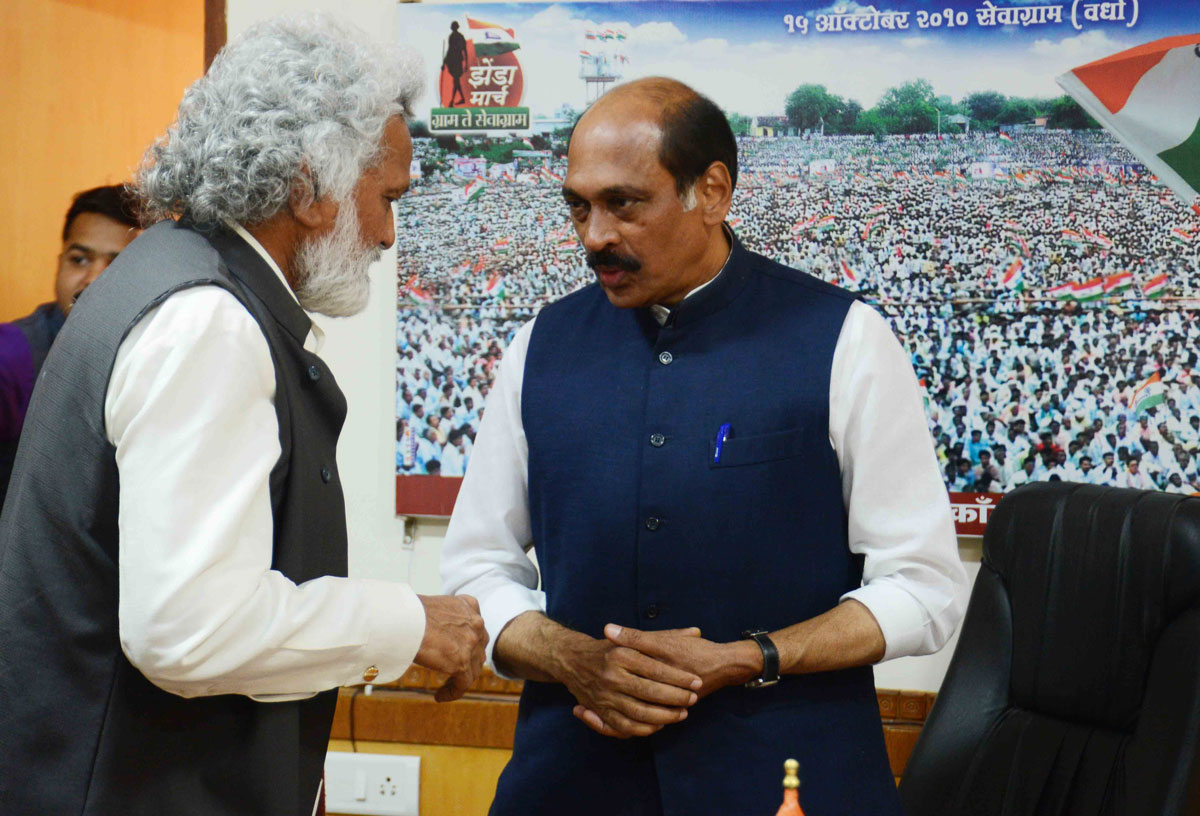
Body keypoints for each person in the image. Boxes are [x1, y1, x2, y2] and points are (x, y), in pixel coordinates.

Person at [0, 16, 487, 816]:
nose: (388, 235)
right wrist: (407, 622)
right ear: (307, 186)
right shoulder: (207, 320)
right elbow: (188, 630)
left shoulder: (167, 271)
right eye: (387, 199)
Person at [441, 77, 966, 816]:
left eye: (624, 204)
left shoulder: (845, 339)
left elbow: (925, 590)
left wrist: (748, 658)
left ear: (712, 191)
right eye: (578, 207)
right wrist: (573, 657)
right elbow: (476, 569)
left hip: (788, 780)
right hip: (572, 778)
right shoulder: (540, 346)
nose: (595, 237)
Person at [0, 185, 140, 501]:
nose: (92, 278)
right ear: (59, 261)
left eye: (117, 264)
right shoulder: (11, 356)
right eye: (79, 260)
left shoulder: (154, 355)